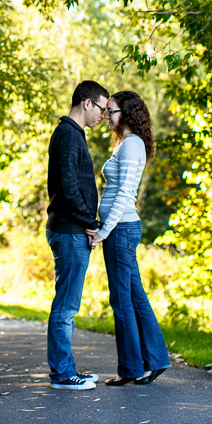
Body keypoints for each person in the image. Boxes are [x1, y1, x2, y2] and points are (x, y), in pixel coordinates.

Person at [86, 90, 170, 386]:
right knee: (133, 297)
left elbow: (124, 195)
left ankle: (132, 368)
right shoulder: (127, 144)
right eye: (106, 111)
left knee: (121, 301)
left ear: (128, 114)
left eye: (112, 111)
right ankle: (153, 361)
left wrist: (104, 232)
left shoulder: (132, 145)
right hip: (119, 230)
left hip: (121, 230)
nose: (106, 116)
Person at [46, 79, 109, 390]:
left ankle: (66, 369)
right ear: (87, 103)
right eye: (100, 107)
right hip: (70, 230)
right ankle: (62, 375)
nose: (102, 115)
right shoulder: (69, 135)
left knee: (68, 303)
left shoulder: (71, 134)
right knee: (67, 305)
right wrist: (90, 221)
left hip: (71, 228)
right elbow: (69, 187)